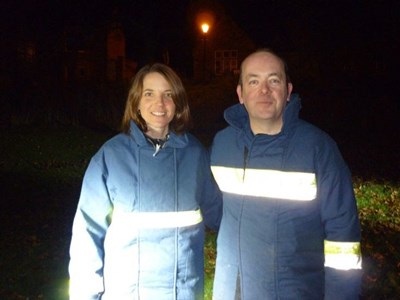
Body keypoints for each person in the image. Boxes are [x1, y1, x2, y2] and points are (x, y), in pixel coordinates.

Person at [210, 49, 362, 299]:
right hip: (233, 291)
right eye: (253, 81)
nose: (264, 90)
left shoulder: (318, 147)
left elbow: (343, 237)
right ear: (240, 94)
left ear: (288, 91)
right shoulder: (222, 145)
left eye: (274, 80)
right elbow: (215, 210)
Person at [69, 63, 222, 299]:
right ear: (136, 102)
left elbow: (222, 215)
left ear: (178, 103)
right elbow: (86, 234)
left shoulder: (195, 154)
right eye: (149, 94)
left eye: (168, 95)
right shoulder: (111, 156)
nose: (159, 104)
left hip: (184, 292)